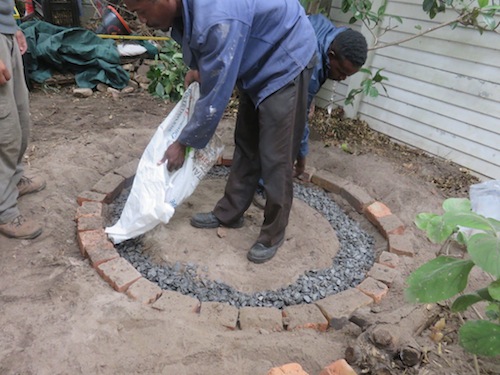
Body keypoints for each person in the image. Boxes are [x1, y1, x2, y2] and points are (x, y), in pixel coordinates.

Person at [123, 0, 317, 263]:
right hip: (255, 51)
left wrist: (183, 143)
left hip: (285, 56)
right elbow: (208, 48)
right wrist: (200, 69)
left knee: (275, 154)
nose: (142, 21)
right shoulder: (194, 11)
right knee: (247, 141)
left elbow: (216, 97)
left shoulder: (217, 19)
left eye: (141, 12)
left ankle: (273, 233)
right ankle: (230, 213)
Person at [253, 14, 368, 209]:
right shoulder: (312, 67)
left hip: (273, 66)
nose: (341, 78)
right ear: (331, 55)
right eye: (341, 71)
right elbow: (298, 119)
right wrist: (301, 158)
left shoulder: (326, 29)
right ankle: (262, 187)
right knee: (281, 134)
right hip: (263, 75)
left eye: (347, 76)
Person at [0, 0, 45, 239]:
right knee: (4, 129)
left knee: (19, 116)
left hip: (3, 31)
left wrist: (12, 25)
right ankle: (3, 210)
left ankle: (13, 181)